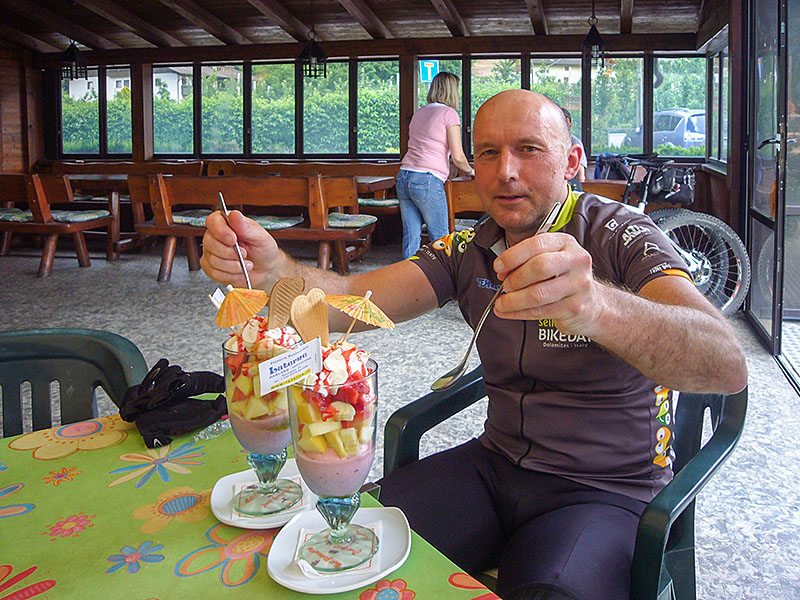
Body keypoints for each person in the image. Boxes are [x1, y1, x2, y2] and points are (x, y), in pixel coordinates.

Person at [200, 89, 747, 600]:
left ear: (572, 161)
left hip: (606, 489)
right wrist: (274, 271)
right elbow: (351, 300)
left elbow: (725, 364)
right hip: (495, 464)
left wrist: (598, 307)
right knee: (347, 549)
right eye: (487, 152)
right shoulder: (469, 249)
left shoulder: (620, 234)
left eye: (529, 149)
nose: (506, 171)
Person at [396, 71, 473, 259]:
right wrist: (472, 171)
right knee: (441, 237)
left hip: (404, 176)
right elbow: (458, 156)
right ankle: (444, 276)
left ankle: (408, 276)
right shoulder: (449, 114)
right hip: (427, 179)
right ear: (452, 91)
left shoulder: (419, 113)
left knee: (411, 237)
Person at [561, 106, 587, 191]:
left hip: (571, 182)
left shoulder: (575, 142)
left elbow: (581, 172)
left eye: (566, 123)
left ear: (570, 125)